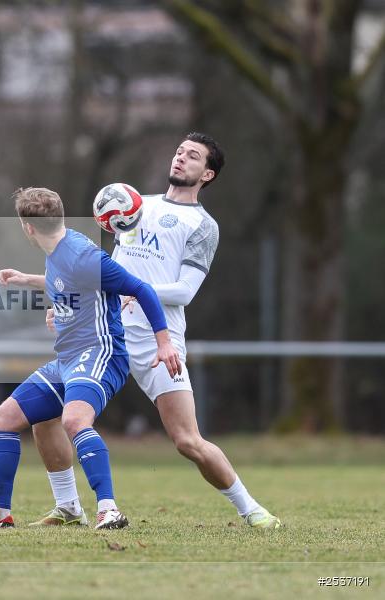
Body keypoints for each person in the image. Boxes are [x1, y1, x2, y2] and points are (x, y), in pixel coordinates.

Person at [33, 132, 282, 529]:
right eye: (180, 151)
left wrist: (139, 292)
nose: (181, 158)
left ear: (208, 174)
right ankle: (68, 507)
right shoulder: (132, 204)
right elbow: (96, 268)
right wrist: (66, 306)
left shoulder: (202, 226)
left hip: (157, 339)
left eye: (193, 156)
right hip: (104, 334)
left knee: (187, 441)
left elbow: (184, 292)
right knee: (45, 413)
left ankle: (252, 510)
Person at [0, 187, 181, 529]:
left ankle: (109, 509)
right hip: (67, 358)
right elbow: (64, 282)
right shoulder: (61, 246)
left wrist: (164, 343)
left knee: (74, 420)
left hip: (100, 354)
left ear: (28, 228)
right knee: (3, 420)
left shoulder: (84, 256)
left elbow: (142, 290)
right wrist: (27, 279)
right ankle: (1, 515)